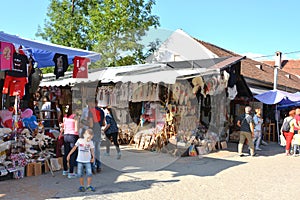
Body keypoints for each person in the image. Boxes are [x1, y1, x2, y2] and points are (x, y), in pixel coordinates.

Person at [62, 105, 79, 178]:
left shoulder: (65, 117)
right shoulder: (76, 117)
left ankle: (65, 170)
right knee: (73, 154)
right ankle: (71, 172)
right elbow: (76, 129)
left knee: (66, 153)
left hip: (66, 136)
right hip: (73, 136)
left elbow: (64, 128)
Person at [88, 98, 105, 173]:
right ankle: (99, 166)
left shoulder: (91, 111)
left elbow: (91, 123)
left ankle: (93, 166)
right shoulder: (101, 111)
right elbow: (104, 123)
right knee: (97, 149)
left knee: (92, 149)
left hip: (92, 131)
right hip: (98, 130)